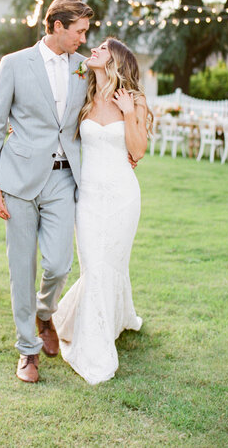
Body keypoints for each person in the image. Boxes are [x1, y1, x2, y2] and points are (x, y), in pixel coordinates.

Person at [0, 0, 94, 383]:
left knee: (60, 263)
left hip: (65, 178)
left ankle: (45, 313)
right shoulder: (14, 64)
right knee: (21, 267)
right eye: (79, 30)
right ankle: (27, 351)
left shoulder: (85, 68)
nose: (85, 37)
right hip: (18, 180)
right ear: (57, 26)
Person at [53, 37, 153, 384]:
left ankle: (104, 334)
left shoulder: (134, 100)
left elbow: (137, 151)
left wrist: (128, 114)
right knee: (93, 266)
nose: (92, 51)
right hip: (89, 196)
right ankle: (93, 330)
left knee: (111, 264)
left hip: (123, 196)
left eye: (100, 49)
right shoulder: (84, 95)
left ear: (116, 60)